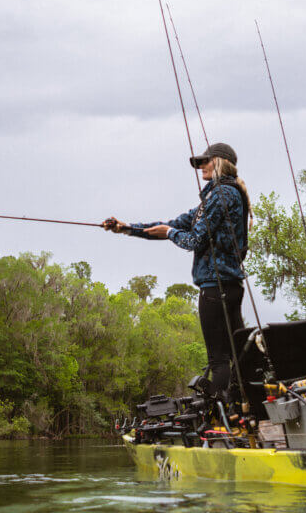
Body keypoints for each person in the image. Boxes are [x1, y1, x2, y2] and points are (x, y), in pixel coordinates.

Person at [103, 142, 250, 400]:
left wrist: (170, 234)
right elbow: (172, 224)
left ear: (220, 163)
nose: (201, 166)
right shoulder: (219, 196)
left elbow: (192, 240)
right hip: (231, 287)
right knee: (237, 355)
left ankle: (223, 418)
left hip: (215, 289)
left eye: (205, 161)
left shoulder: (222, 195)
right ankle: (242, 412)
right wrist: (126, 228)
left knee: (219, 360)